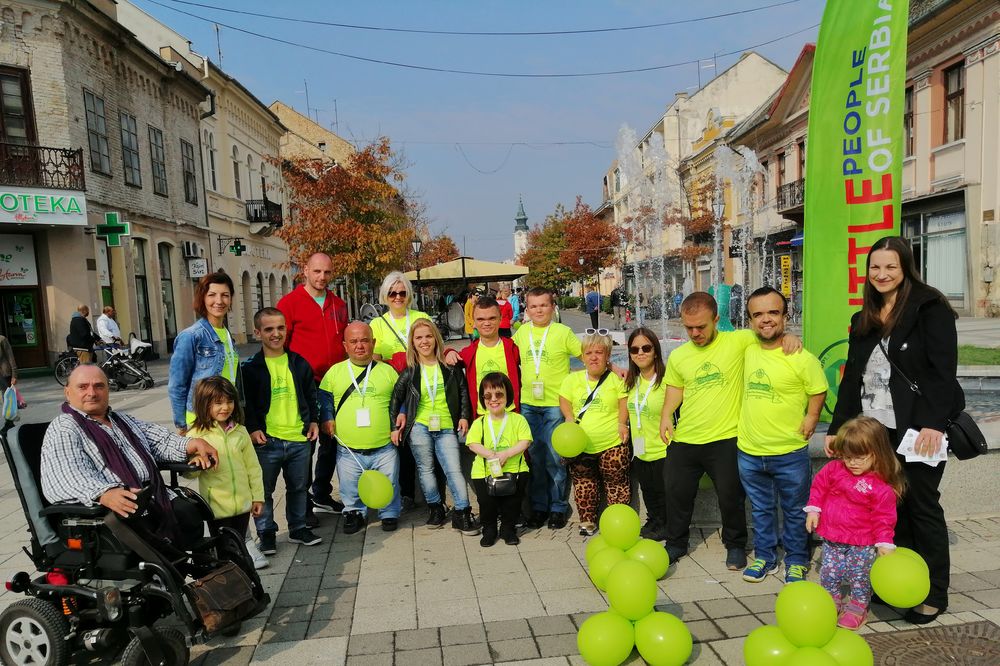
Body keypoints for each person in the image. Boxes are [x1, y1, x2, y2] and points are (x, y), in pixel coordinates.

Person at [826, 235, 963, 625]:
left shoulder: (929, 307)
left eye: (891, 267)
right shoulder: (864, 316)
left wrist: (933, 425)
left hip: (918, 430)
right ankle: (899, 584)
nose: (882, 274)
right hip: (875, 432)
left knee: (921, 507)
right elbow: (853, 376)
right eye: (875, 267)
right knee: (888, 510)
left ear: (905, 268)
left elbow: (942, 372)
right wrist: (838, 427)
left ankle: (933, 593)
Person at [659, 292, 801, 570]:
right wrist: (666, 414)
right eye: (689, 328)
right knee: (675, 491)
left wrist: (790, 336)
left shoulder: (738, 341)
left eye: (701, 326)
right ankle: (676, 542)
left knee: (730, 495)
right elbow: (675, 388)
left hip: (725, 438)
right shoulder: (679, 356)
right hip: (686, 436)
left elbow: (768, 334)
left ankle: (735, 545)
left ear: (716, 319)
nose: (695, 333)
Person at [41, 365, 218, 549]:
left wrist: (191, 444)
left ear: (108, 390)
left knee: (188, 512)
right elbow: (67, 477)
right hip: (111, 512)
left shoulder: (121, 420)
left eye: (99, 386)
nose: (92, 393)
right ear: (67, 392)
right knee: (148, 527)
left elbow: (158, 440)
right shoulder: (65, 427)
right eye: (83, 387)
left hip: (149, 498)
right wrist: (104, 493)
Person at [737, 287, 828, 584]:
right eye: (758, 314)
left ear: (786, 317)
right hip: (749, 452)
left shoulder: (801, 356)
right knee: (761, 510)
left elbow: (818, 388)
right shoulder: (747, 348)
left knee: (794, 511)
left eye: (773, 313)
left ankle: (797, 560)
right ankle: (765, 557)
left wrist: (812, 415)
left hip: (790, 453)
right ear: (750, 320)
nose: (766, 320)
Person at [807, 416, 904, 630]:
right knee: (829, 572)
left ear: (877, 453)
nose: (853, 463)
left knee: (858, 575)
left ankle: (858, 606)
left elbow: (884, 517)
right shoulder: (834, 470)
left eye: (860, 458)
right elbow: (818, 487)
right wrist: (814, 509)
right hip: (832, 536)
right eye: (848, 457)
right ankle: (831, 599)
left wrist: (884, 542)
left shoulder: (880, 487)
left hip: (862, 541)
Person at [242, 307, 322, 555]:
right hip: (268, 441)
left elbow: (311, 394)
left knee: (298, 487)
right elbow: (248, 404)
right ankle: (266, 533)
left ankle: (298, 527)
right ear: (258, 332)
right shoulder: (251, 368)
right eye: (269, 329)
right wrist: (253, 428)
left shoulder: (298, 363)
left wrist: (314, 421)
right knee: (263, 490)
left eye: (280, 328)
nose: (276, 334)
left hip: (299, 438)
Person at [276, 253, 349, 520]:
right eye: (316, 271)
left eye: (327, 273)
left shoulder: (338, 304)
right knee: (305, 444)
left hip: (333, 385)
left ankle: (321, 493)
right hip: (304, 386)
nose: (321, 277)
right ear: (305, 270)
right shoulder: (289, 303)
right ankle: (302, 503)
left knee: (331, 440)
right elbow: (280, 344)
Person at [390, 320, 479, 534]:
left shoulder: (449, 367)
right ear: (413, 342)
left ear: (436, 339)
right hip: (419, 426)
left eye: (428, 336)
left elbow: (463, 391)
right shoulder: (411, 371)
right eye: (419, 337)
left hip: (447, 425)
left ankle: (462, 512)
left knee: (453, 469)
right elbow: (395, 397)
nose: (424, 341)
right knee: (426, 469)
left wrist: (464, 416)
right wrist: (395, 424)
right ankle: (435, 507)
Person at [319, 321, 402, 533]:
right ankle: (354, 512)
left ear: (373, 343)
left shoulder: (388, 372)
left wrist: (400, 419)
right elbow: (325, 400)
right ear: (345, 345)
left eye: (365, 340)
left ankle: (389, 512)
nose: (360, 346)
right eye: (353, 341)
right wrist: (327, 417)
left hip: (384, 446)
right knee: (349, 487)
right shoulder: (334, 372)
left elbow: (400, 400)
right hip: (348, 449)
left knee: (389, 482)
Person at [513, 287, 583, 529]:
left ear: (553, 307)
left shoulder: (563, 332)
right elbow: (505, 355)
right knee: (536, 457)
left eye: (543, 305)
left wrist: (614, 369)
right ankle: (539, 506)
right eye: (533, 306)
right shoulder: (522, 333)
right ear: (527, 310)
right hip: (529, 405)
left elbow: (588, 355)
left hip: (555, 404)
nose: (538, 310)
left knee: (555, 458)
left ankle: (557, 508)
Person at [184, 375, 267, 569]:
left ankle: (245, 583)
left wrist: (258, 497)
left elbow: (253, 468)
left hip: (243, 505)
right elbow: (188, 473)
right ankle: (229, 586)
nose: (225, 407)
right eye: (218, 403)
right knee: (224, 551)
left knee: (240, 547)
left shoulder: (240, 431)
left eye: (229, 401)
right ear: (205, 404)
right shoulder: (196, 435)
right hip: (217, 508)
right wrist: (195, 463)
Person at [559, 331, 629, 536]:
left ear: (608, 356)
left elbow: (623, 403)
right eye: (589, 352)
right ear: (582, 356)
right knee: (583, 483)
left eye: (599, 352)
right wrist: (569, 418)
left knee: (616, 484)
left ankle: (618, 521)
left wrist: (622, 424)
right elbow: (564, 400)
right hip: (581, 444)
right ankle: (588, 521)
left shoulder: (615, 379)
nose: (594, 357)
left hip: (611, 441)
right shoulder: (572, 380)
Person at [169, 272, 240, 434]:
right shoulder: (191, 336)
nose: (219, 301)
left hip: (226, 416)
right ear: (203, 298)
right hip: (201, 419)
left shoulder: (227, 335)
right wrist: (181, 425)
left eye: (225, 295)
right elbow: (177, 384)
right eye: (212, 295)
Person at [466, 373, 531, 547]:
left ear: (508, 395)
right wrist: (490, 455)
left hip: (515, 470)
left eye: (499, 394)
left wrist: (506, 454)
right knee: (487, 504)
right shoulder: (479, 422)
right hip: (483, 471)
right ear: (483, 398)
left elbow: (525, 441)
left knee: (512, 503)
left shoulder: (518, 419)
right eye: (488, 396)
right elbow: (472, 443)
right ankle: (489, 529)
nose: (493, 399)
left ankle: (508, 529)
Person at [624, 328, 668, 541]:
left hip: (664, 447)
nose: (640, 353)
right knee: (648, 490)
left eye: (646, 348)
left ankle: (666, 523)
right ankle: (654, 520)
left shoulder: (667, 381)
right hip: (640, 448)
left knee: (662, 490)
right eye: (634, 349)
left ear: (655, 351)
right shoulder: (631, 381)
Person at [458, 296, 522, 416]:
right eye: (481, 319)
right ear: (474, 322)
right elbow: (444, 358)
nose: (486, 323)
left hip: (510, 416)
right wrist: (449, 351)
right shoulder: (469, 353)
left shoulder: (512, 348)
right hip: (482, 418)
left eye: (492, 318)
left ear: (500, 319)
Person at [370, 272, 432, 363]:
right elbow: (375, 361)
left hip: (422, 373)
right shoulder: (377, 324)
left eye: (403, 293)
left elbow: (437, 349)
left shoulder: (422, 317)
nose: (398, 297)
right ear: (385, 295)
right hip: (392, 375)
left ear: (409, 295)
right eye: (392, 293)